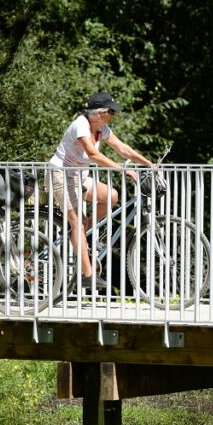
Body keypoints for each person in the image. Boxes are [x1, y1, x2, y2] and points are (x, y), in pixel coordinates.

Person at [47, 92, 154, 287]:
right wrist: (122, 169)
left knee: (111, 196)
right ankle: (87, 276)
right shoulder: (81, 125)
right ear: (98, 114)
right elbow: (93, 154)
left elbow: (123, 148)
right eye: (111, 111)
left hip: (80, 177)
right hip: (61, 176)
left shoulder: (101, 128)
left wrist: (148, 163)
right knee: (77, 224)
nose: (113, 115)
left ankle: (83, 234)